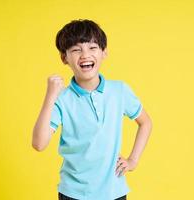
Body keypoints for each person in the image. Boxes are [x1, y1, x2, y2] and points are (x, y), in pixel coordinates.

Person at [32, 19, 153, 200]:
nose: (85, 54)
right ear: (64, 58)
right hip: (73, 194)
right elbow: (39, 144)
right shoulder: (61, 99)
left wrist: (133, 160)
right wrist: (50, 97)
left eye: (92, 47)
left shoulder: (119, 91)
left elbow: (145, 122)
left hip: (114, 192)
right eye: (76, 49)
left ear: (104, 52)